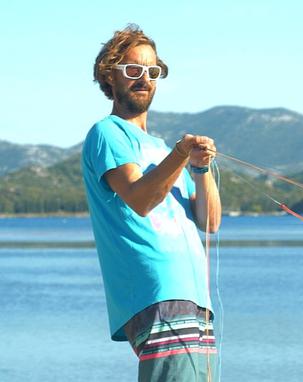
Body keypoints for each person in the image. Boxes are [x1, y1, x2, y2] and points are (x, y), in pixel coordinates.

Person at [82, 24, 222, 381]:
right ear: (109, 76)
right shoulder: (108, 133)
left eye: (152, 71)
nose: (144, 78)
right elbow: (141, 200)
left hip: (193, 297)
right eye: (132, 69)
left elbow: (210, 222)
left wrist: (200, 169)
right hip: (157, 294)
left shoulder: (160, 149)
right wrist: (180, 154)